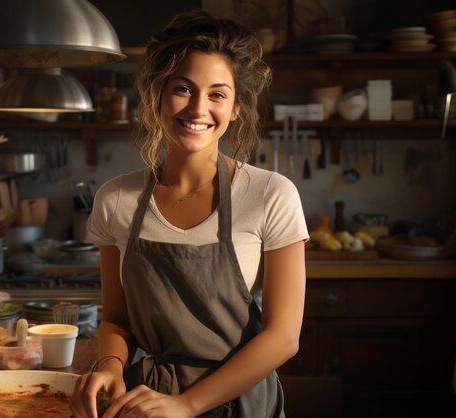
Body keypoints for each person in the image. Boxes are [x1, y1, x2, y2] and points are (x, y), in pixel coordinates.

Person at [70, 9, 308, 418]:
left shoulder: (271, 194)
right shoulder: (116, 199)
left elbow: (283, 338)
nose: (199, 108)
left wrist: (187, 405)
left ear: (235, 108)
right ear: (157, 95)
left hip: (241, 403)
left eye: (217, 94)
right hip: (147, 400)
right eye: (183, 89)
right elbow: (115, 319)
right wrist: (109, 364)